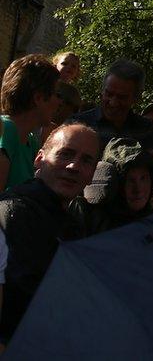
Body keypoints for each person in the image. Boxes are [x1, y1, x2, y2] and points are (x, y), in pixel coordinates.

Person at [0, 124, 98, 341]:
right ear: (39, 159)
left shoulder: (71, 223)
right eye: (65, 154)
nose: (74, 166)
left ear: (92, 174)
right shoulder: (15, 212)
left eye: (86, 160)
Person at [68, 59, 153, 163]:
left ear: (137, 98)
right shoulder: (76, 125)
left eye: (122, 97)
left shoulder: (148, 131)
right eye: (109, 94)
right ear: (102, 90)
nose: (113, 102)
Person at [70, 137, 153, 237]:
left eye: (143, 178)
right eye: (130, 181)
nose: (138, 189)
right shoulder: (88, 218)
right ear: (115, 183)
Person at [0, 55, 61, 190]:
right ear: (38, 98)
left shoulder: (31, 141)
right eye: (56, 94)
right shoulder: (7, 130)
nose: (59, 102)